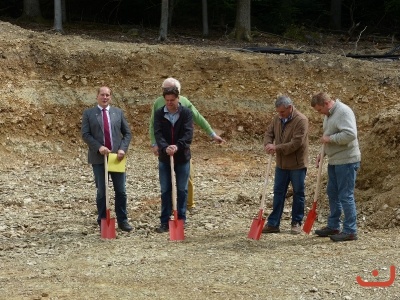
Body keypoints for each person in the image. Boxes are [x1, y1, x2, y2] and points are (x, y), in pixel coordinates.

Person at [149, 78, 225, 211]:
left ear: (177, 93)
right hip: (165, 147)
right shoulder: (158, 103)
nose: (167, 95)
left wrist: (212, 134)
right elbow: (153, 125)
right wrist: (154, 143)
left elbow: (198, 117)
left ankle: (188, 205)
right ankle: (169, 208)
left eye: (170, 90)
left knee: (187, 176)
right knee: (166, 181)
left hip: (182, 147)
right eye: (164, 90)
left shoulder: (185, 102)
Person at [81, 86, 133, 232]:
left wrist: (123, 148)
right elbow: (85, 134)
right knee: (102, 191)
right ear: (97, 96)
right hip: (99, 158)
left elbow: (127, 134)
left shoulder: (118, 113)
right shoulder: (89, 114)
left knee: (121, 191)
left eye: (107, 95)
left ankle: (123, 221)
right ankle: (103, 220)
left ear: (110, 97)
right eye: (102, 95)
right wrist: (99, 147)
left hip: (116, 157)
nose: (105, 97)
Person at [311, 92, 361, 242]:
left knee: (345, 195)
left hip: (347, 160)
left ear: (326, 103)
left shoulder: (343, 112)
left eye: (320, 109)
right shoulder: (329, 115)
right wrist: (323, 153)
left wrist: (330, 139)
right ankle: (333, 226)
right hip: (335, 160)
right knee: (332, 193)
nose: (320, 113)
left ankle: (350, 230)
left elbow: (350, 134)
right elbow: (329, 135)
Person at [262, 95, 309, 235]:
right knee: (278, 193)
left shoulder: (301, 120)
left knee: (298, 193)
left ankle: (296, 222)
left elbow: (296, 143)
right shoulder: (277, 118)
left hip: (297, 164)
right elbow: (269, 133)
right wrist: (268, 144)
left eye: (282, 112)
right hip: (281, 164)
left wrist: (277, 148)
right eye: (278, 112)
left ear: (290, 108)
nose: (279, 115)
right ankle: (273, 223)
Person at [153, 86, 193, 233]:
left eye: (172, 100)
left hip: (182, 157)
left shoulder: (186, 113)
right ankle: (164, 221)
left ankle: (181, 219)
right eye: (167, 100)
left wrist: (177, 146)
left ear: (178, 98)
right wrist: (165, 147)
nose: (169, 103)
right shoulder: (159, 114)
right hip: (165, 158)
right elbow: (158, 133)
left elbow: (188, 134)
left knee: (182, 190)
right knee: (165, 190)